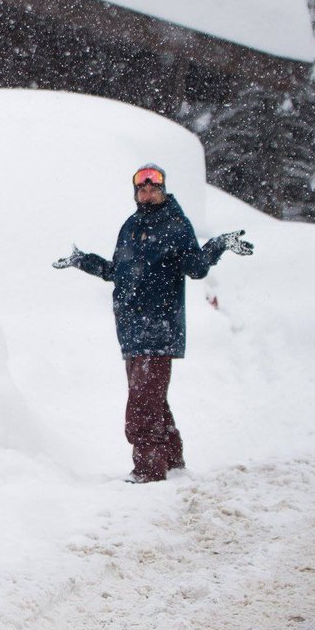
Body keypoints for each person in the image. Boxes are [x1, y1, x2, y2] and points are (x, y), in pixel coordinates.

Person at [52, 163, 253, 483]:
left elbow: (197, 269)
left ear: (163, 190)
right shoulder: (130, 227)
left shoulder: (176, 225)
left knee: (142, 404)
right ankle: (172, 461)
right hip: (130, 329)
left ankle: (148, 470)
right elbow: (114, 272)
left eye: (153, 187)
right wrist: (83, 260)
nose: (147, 193)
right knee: (152, 398)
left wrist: (218, 244)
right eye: (142, 189)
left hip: (159, 326)